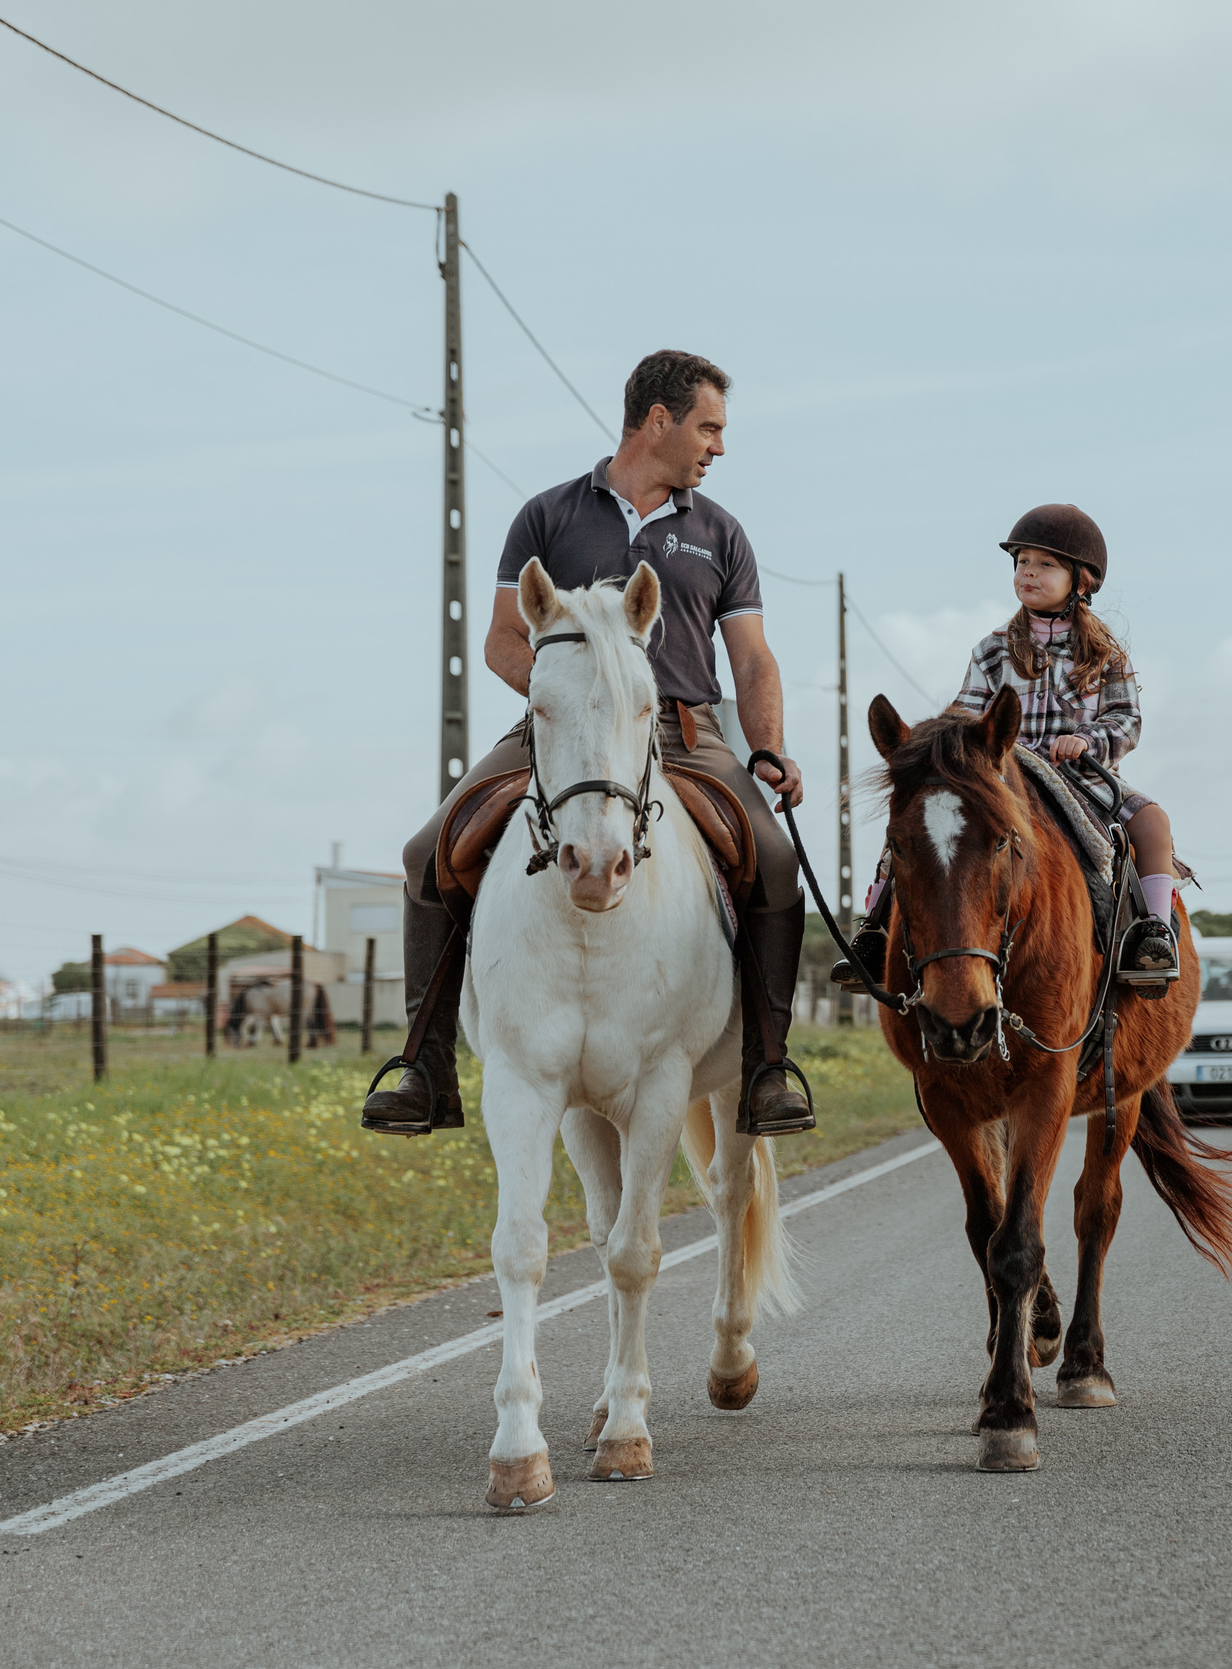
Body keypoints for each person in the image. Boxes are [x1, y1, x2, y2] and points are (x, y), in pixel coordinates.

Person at [364, 350, 817, 1139]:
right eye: (708, 428)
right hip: (561, 732)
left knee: (774, 861)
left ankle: (767, 1068)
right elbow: (503, 640)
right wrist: (568, 704)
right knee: (425, 853)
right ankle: (424, 1067)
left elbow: (752, 659)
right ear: (658, 421)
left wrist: (769, 748)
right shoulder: (546, 516)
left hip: (682, 729)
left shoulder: (721, 532)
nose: (718, 447)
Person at [836, 503, 1180, 990]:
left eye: (1045, 564)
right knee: (919, 824)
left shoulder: (1106, 655)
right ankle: (874, 931)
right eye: (1022, 562)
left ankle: (1153, 933)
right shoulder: (992, 650)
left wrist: (1085, 740)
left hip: (1084, 779)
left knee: (1153, 823)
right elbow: (963, 715)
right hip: (1001, 777)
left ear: (1081, 581)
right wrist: (944, 745)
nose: (1029, 572)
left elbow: (1127, 720)